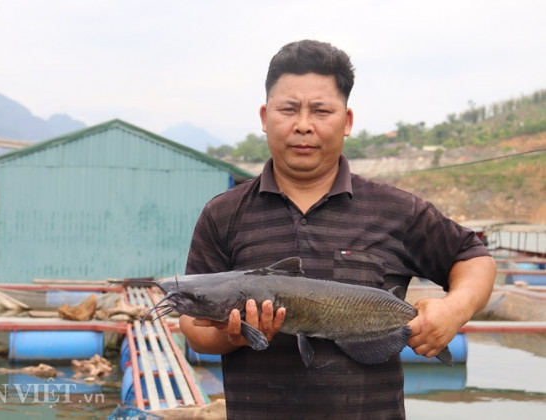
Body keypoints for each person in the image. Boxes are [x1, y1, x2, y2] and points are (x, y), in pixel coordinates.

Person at [179, 40, 496, 419]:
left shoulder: (397, 209)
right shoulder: (222, 214)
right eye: (288, 109)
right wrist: (232, 334)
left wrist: (454, 309)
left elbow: (473, 257)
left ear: (346, 121)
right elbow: (193, 325)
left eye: (321, 110)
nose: (303, 125)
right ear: (265, 117)